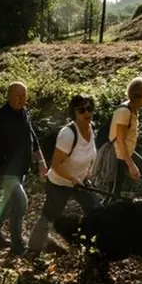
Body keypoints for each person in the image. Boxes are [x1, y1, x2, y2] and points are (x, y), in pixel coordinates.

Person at [28, 94, 99, 255]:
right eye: (81, 110)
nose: (86, 113)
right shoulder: (67, 135)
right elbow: (56, 165)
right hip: (60, 183)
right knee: (49, 216)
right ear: (73, 112)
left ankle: (93, 249)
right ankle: (33, 250)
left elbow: (90, 153)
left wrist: (89, 172)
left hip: (80, 182)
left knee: (96, 211)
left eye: (89, 108)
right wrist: (73, 178)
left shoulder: (91, 127)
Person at [0, 82, 48, 256]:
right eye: (18, 96)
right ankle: (17, 244)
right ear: (9, 96)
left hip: (21, 170)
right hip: (4, 171)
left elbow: (32, 136)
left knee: (8, 204)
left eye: (25, 96)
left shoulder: (24, 113)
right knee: (20, 202)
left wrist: (41, 161)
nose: (22, 99)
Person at [106, 77, 142, 202]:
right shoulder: (124, 112)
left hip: (125, 153)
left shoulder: (132, 109)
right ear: (139, 96)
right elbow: (120, 141)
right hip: (118, 155)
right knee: (114, 194)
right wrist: (131, 165)